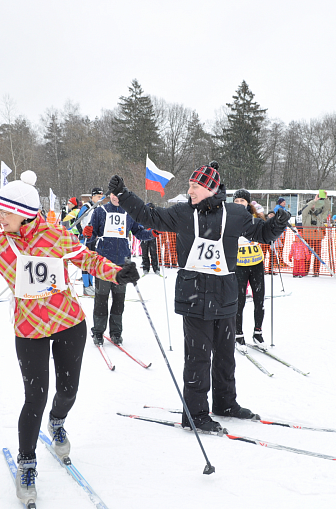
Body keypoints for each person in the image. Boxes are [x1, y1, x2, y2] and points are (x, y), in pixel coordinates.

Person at [0, 171, 140, 506]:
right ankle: (27, 462)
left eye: (4, 212)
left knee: (68, 391)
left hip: (68, 323)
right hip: (29, 330)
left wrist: (116, 272)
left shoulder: (55, 235)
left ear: (24, 212)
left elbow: (85, 258)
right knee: (35, 397)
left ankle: (57, 423)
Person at [106, 162, 290, 432]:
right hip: (194, 296)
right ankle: (195, 414)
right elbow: (148, 216)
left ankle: (226, 403)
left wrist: (277, 224)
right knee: (198, 358)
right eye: (190, 185)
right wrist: (124, 195)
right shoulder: (183, 213)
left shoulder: (236, 213)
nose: (189, 190)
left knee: (226, 355)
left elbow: (262, 234)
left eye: (195, 186)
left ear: (209, 189)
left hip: (225, 296)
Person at [82, 192, 153, 345]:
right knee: (101, 299)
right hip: (104, 263)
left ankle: (116, 333)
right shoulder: (100, 211)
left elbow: (139, 232)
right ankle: (98, 332)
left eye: (119, 196)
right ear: (110, 195)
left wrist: (152, 233)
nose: (116, 198)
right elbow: (92, 234)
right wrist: (88, 234)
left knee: (119, 300)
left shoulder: (128, 213)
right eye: (113, 195)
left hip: (122, 263)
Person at [232, 189, 266, 353]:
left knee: (259, 300)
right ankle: (238, 334)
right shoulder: (229, 219)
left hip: (257, 263)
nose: (239, 204)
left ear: (248, 203)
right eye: (236, 201)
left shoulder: (255, 219)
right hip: (239, 266)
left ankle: (258, 333)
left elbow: (267, 232)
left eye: (242, 201)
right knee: (240, 302)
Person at [74, 187, 104, 296]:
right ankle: (86, 286)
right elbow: (77, 221)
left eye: (101, 197)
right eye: (98, 197)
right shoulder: (87, 206)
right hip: (85, 238)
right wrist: (82, 233)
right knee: (85, 263)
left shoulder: (99, 207)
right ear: (93, 197)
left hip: (94, 238)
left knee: (92, 263)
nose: (100, 199)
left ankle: (91, 285)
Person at [301, 191, 331, 277]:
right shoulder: (305, 213)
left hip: (317, 236)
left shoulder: (319, 212)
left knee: (318, 255)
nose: (314, 206)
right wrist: (313, 201)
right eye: (312, 204)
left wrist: (326, 198)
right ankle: (306, 270)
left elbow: (327, 207)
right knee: (307, 255)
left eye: (315, 204)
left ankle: (316, 271)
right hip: (308, 236)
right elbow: (305, 209)